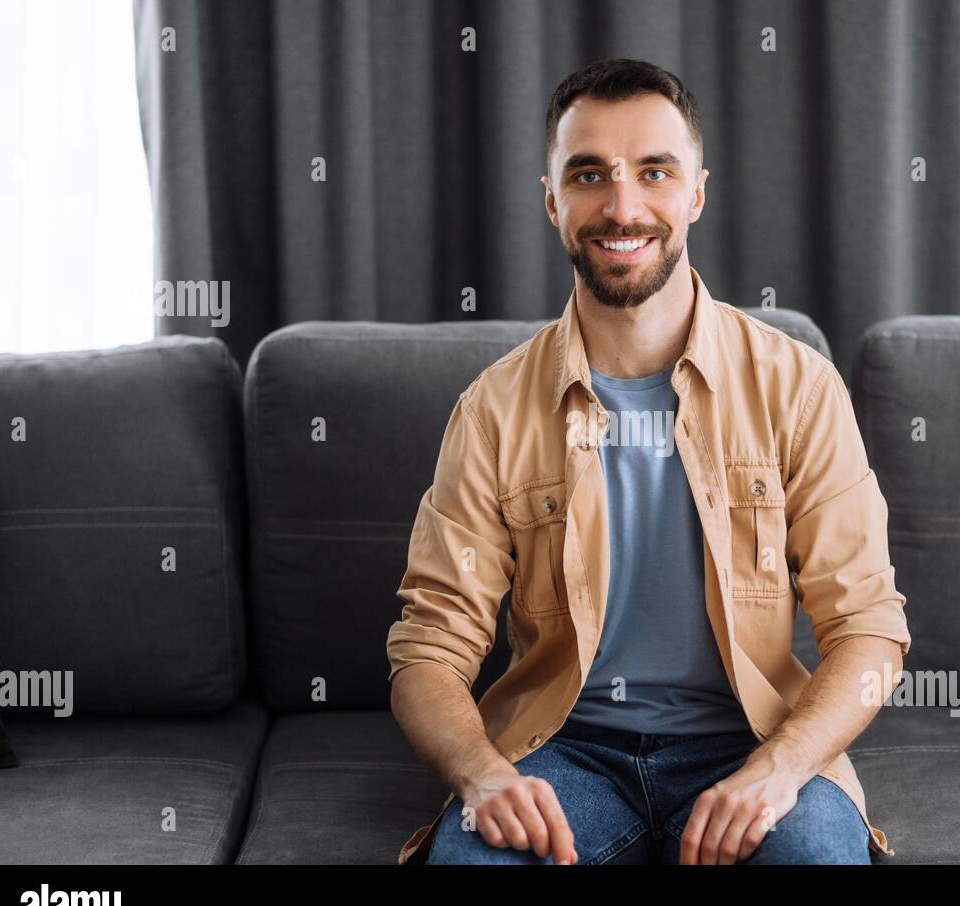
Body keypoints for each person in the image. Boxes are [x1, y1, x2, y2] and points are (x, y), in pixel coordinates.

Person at [386, 57, 911, 865]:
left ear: (697, 191)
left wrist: (780, 770)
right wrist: (482, 773)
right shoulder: (491, 410)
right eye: (589, 174)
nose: (622, 206)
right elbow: (429, 647)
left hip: (751, 744)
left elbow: (870, 631)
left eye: (654, 172)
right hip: (563, 755)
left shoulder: (798, 386)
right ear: (552, 199)